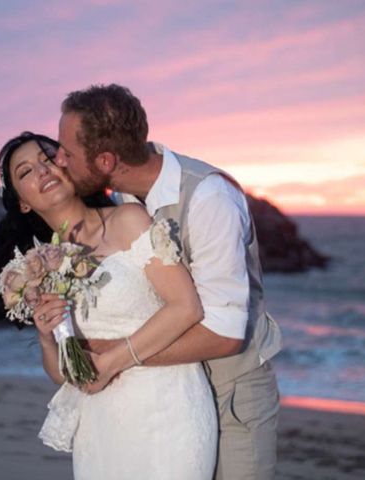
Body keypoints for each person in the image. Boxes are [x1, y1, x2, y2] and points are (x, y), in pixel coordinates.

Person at [52, 84, 282, 479]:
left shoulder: (209, 198)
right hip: (165, 397)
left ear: (106, 160)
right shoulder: (121, 202)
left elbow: (225, 334)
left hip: (230, 392)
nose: (58, 160)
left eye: (67, 153)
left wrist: (113, 354)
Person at [0, 132, 217, 479]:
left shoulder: (129, 220)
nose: (43, 171)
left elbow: (186, 308)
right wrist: (48, 339)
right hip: (100, 423)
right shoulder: (39, 265)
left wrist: (109, 363)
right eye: (26, 172)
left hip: (169, 409)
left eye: (48, 159)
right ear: (22, 203)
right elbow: (64, 374)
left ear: (67, 164)